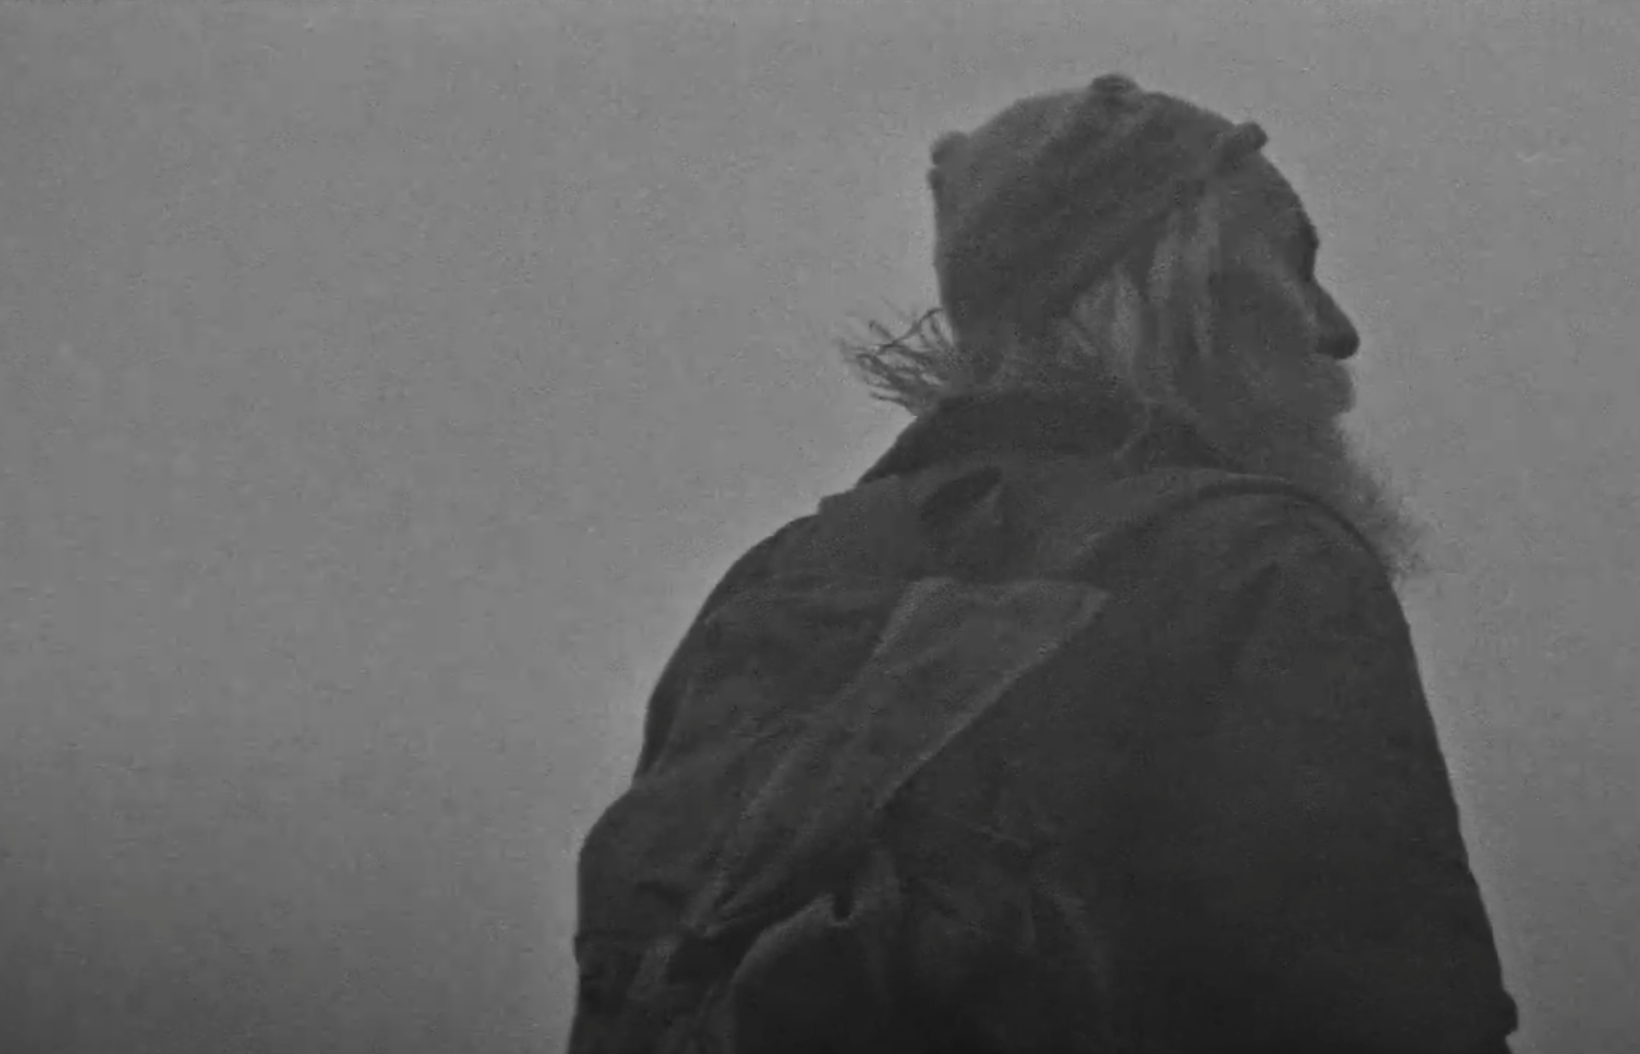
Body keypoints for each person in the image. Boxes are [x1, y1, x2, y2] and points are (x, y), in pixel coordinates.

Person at [569, 73, 1518, 1053]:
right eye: (1294, 260)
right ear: (1170, 283)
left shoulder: (771, 584)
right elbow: (1398, 1012)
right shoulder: (1258, 560)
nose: (1335, 327)